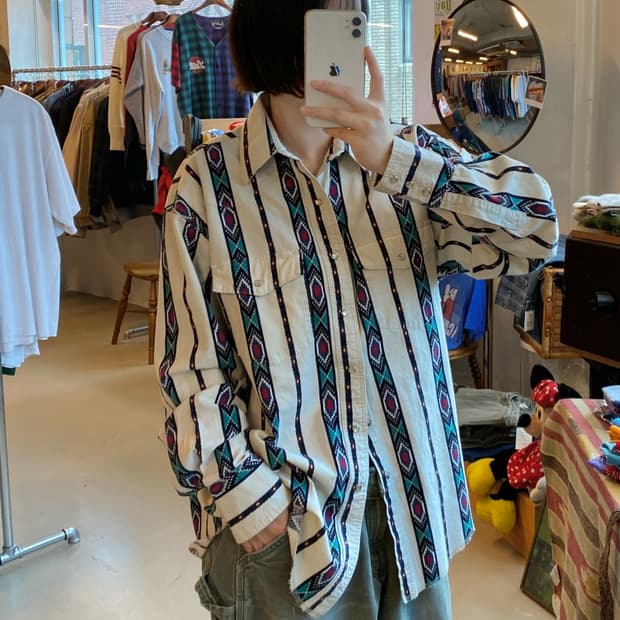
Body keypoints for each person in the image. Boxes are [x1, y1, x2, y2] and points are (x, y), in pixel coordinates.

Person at [155, 0, 558, 617]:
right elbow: (190, 369)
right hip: (291, 528)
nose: (352, 37)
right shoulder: (207, 186)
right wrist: (250, 504)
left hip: (415, 511)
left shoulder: (411, 159)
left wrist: (397, 160)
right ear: (273, 31)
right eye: (335, 19)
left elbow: (536, 232)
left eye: (355, 20)